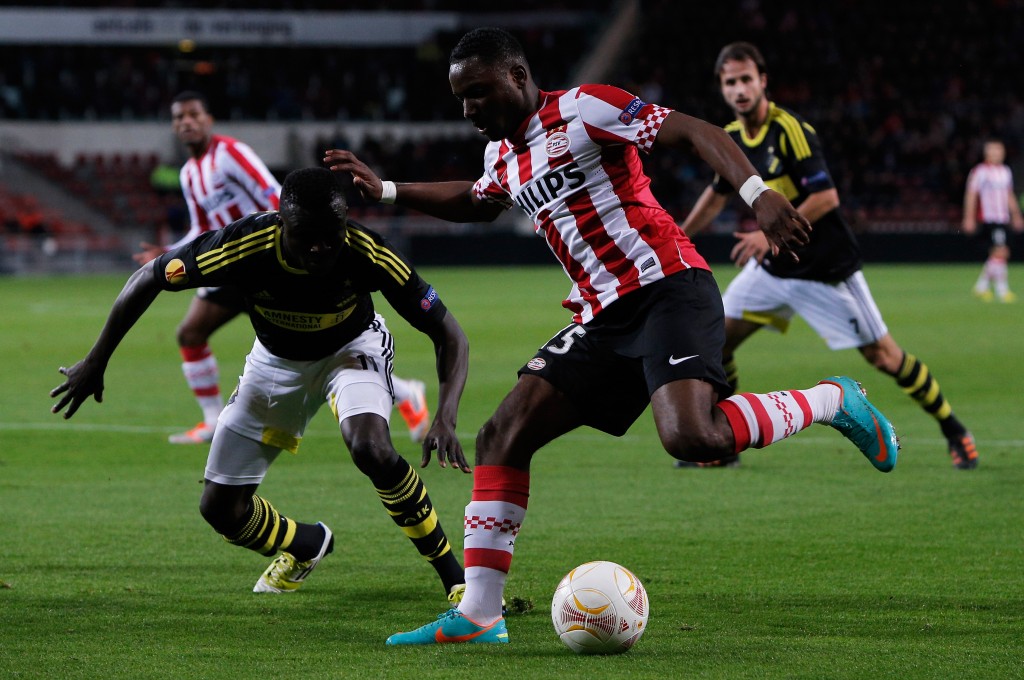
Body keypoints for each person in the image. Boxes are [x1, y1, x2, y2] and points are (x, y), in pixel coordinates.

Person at [324, 27, 899, 646]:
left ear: (518, 76)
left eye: (480, 94)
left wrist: (758, 195)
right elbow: (474, 200)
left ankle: (834, 400)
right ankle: (480, 615)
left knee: (692, 435)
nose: (469, 111)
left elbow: (699, 132)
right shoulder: (502, 156)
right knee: (500, 436)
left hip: (667, 288)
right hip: (601, 317)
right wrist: (383, 190)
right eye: (461, 99)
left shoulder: (584, 107)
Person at [52, 167, 470, 601]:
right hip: (275, 362)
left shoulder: (367, 252)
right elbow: (150, 276)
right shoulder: (244, 245)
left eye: (332, 234)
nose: (320, 247)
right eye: (306, 235)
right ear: (281, 221)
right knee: (220, 509)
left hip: (351, 349)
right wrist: (95, 360)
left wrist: (446, 415)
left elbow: (450, 333)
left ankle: (456, 579)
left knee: (370, 447)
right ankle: (306, 546)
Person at [679, 42, 978, 471]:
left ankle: (954, 428)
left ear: (763, 81)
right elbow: (716, 193)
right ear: (722, 89)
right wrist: (678, 236)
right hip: (773, 270)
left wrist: (769, 235)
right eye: (731, 82)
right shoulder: (730, 138)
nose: (740, 89)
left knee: (885, 358)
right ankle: (726, 445)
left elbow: (825, 196)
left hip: (825, 271)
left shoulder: (790, 130)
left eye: (746, 79)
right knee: (718, 340)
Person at [132, 91, 432, 445]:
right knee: (191, 334)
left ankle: (403, 392)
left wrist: (282, 242)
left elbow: (274, 193)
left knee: (313, 346)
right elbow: (201, 227)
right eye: (179, 117)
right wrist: (169, 252)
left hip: (262, 258)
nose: (187, 122)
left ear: (208, 119)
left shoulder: (230, 155)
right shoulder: (188, 174)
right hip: (228, 264)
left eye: (194, 115)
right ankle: (213, 419)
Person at [962, 138, 1024, 303]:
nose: (997, 153)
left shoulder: (1005, 171)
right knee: (1001, 251)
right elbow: (971, 194)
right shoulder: (980, 171)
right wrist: (968, 217)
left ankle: (981, 287)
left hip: (1002, 217)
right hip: (988, 217)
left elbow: (1009, 195)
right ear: (986, 152)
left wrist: (1016, 215)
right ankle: (1002, 290)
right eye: (993, 150)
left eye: (999, 150)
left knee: (998, 254)